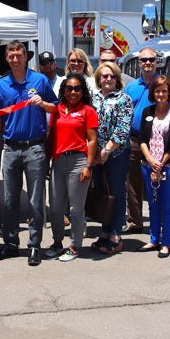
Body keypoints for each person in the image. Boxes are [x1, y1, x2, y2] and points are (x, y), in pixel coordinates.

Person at [0, 41, 58, 266]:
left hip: (35, 148)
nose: (15, 59)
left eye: (19, 55)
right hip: (10, 148)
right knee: (10, 201)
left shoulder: (40, 80)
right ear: (6, 58)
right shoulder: (1, 85)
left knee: (36, 201)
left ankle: (34, 245)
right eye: (11, 56)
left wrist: (42, 103)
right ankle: (10, 244)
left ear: (26, 57)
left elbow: (56, 107)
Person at [124, 46, 170, 234]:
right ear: (139, 63)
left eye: (151, 59)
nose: (147, 63)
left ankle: (160, 223)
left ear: (157, 62)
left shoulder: (166, 87)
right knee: (133, 183)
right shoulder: (131, 87)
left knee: (159, 183)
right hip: (135, 140)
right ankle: (135, 221)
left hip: (159, 142)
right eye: (144, 60)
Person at [44, 73, 98, 262]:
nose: (73, 92)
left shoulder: (88, 111)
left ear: (82, 91)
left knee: (75, 208)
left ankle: (74, 246)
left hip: (78, 162)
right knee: (56, 207)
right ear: (63, 91)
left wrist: (88, 166)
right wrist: (47, 162)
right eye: (69, 88)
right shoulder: (57, 110)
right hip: (59, 162)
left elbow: (92, 140)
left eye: (76, 89)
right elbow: (50, 137)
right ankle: (57, 243)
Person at [90, 61, 133, 256]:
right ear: (99, 78)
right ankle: (105, 231)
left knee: (116, 193)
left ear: (117, 79)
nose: (108, 79)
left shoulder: (124, 99)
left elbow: (123, 129)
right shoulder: (94, 98)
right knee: (102, 193)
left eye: (112, 76)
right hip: (97, 155)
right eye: (104, 76)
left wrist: (107, 150)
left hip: (116, 154)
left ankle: (116, 234)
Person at [138, 75, 170, 258]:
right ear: (153, 93)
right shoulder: (147, 112)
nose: (161, 94)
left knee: (166, 204)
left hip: (169, 166)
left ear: (169, 93)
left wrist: (160, 164)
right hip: (148, 164)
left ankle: (166, 243)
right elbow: (142, 138)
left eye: (164, 91)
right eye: (157, 91)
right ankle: (153, 239)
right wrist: (150, 159)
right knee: (153, 203)